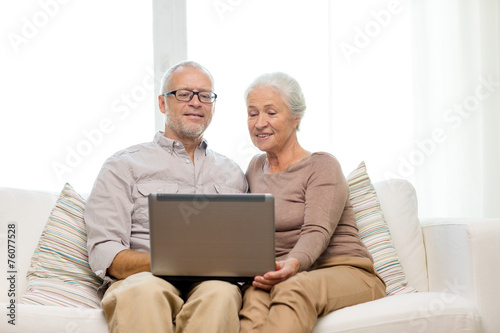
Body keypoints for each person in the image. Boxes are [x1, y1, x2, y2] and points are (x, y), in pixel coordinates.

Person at [84, 60, 248, 333]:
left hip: (211, 283)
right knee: (145, 291)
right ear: (162, 103)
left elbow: (244, 248)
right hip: (144, 278)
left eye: (205, 95)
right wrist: (175, 260)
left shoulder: (233, 173)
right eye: (184, 94)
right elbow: (105, 252)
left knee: (222, 294)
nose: (196, 102)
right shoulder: (123, 165)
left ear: (213, 106)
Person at [239, 72, 386, 333]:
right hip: (282, 273)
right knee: (252, 298)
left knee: (293, 288)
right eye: (252, 113)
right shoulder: (254, 168)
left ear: (296, 117)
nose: (260, 123)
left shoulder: (322, 165)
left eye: (271, 113)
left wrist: (292, 264)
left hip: (345, 269)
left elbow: (316, 230)